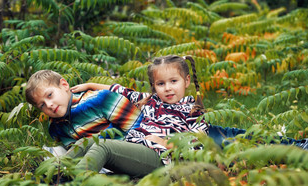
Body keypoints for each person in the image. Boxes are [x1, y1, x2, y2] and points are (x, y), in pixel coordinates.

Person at [68, 55, 209, 177]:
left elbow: (197, 148)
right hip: (136, 148)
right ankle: (55, 172)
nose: (167, 88)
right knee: (86, 143)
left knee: (104, 147)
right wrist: (90, 85)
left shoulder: (194, 112)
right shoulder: (151, 100)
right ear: (154, 86)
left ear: (186, 80)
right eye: (161, 83)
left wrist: (163, 142)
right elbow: (121, 91)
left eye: (173, 81)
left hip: (162, 157)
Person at [25, 70, 143, 150]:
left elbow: (139, 126)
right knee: (53, 152)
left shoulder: (100, 100)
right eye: (42, 105)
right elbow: (73, 149)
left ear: (65, 85)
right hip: (98, 163)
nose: (49, 105)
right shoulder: (55, 126)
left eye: (50, 95)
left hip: (131, 149)